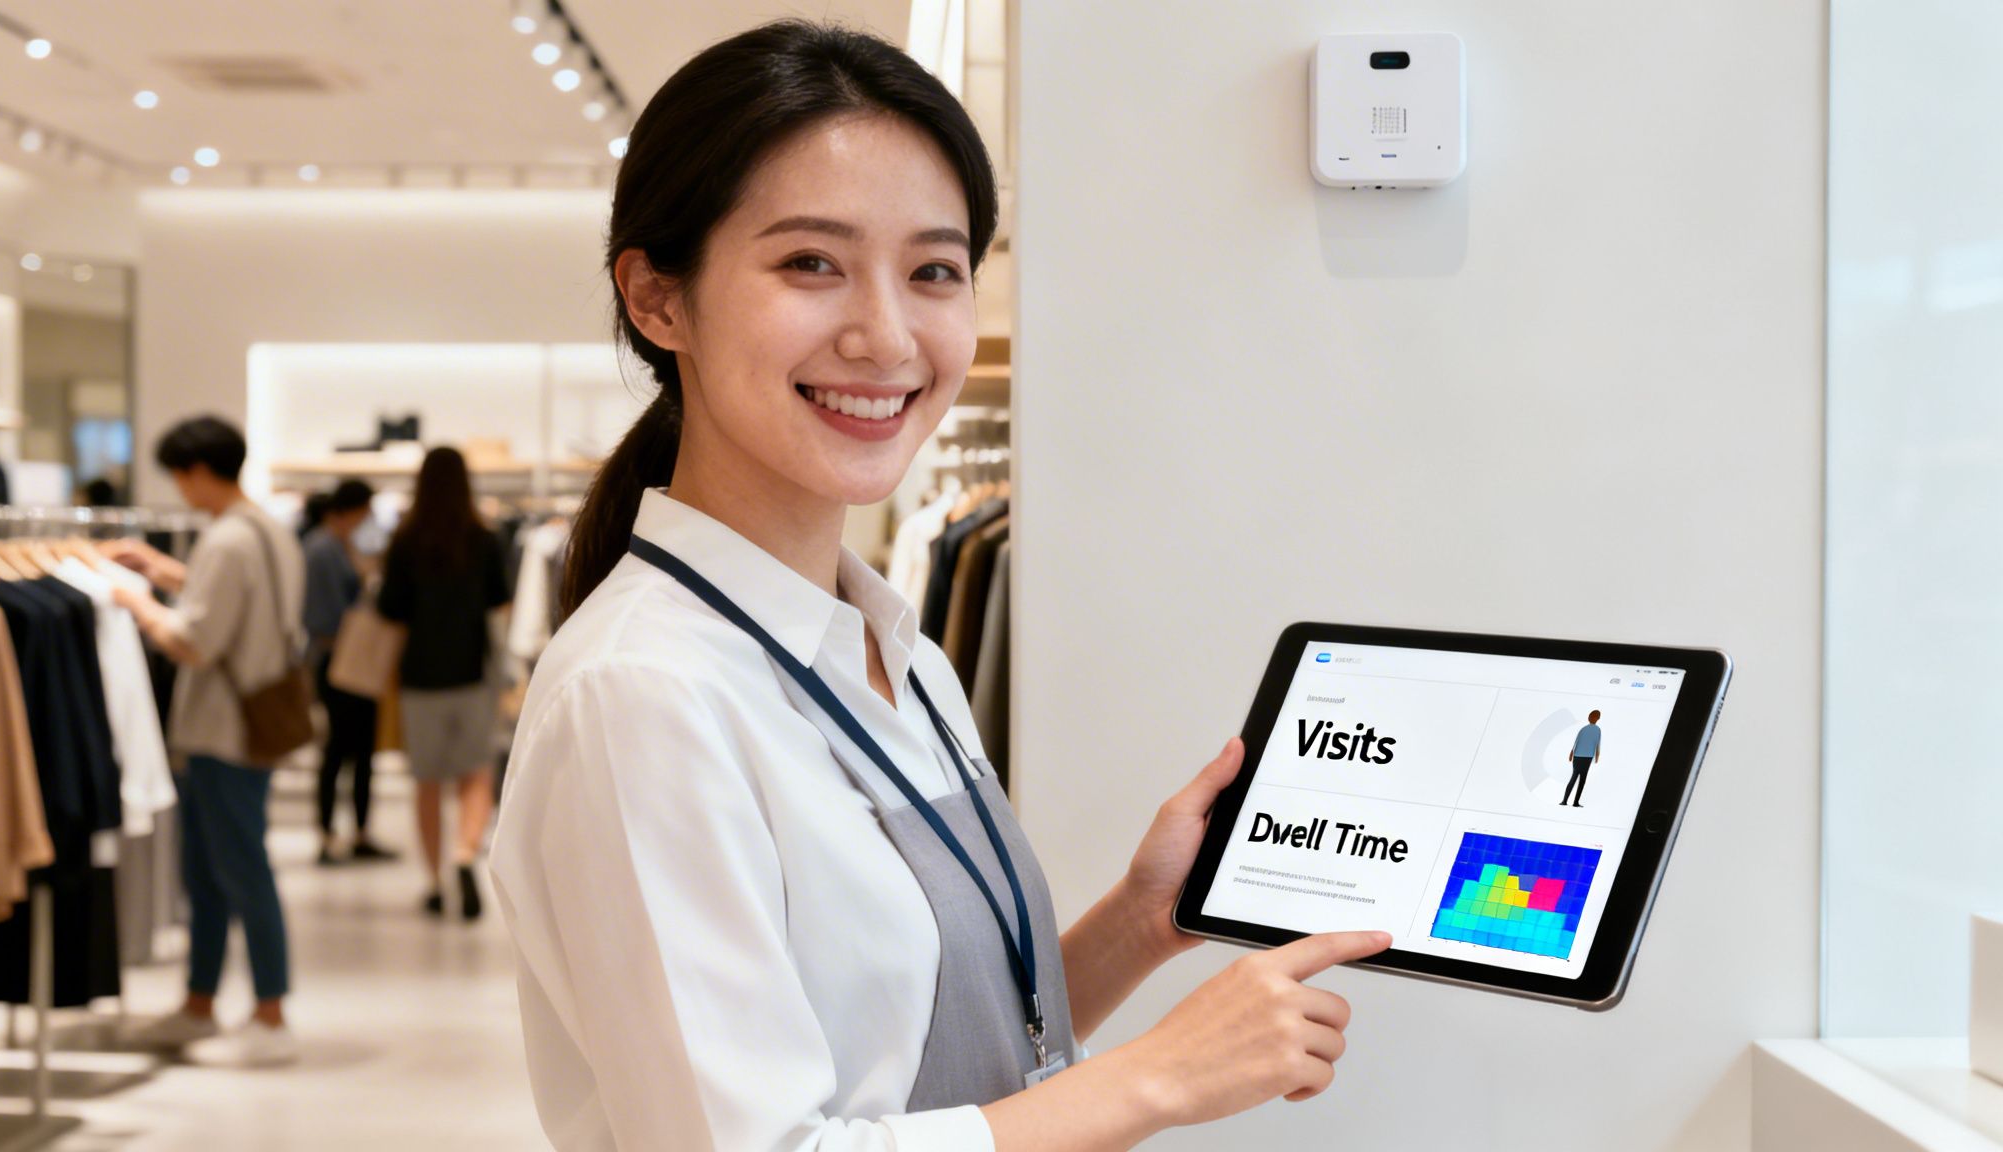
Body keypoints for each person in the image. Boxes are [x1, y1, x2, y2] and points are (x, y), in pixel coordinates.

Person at [489, 22, 1387, 1151]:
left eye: (933, 271)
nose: (885, 334)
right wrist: (1159, 1078)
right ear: (658, 300)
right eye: (809, 262)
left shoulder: (893, 652)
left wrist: (1136, 926)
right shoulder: (644, 697)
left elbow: (919, 1047)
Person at [105, 415, 300, 1068]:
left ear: (195, 472)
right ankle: (201, 999)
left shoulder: (225, 541)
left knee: (238, 869)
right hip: (255, 722)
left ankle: (270, 1011)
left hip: (223, 729)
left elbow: (194, 641)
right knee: (215, 870)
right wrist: (165, 573)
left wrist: (137, 606)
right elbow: (234, 608)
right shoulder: (269, 531)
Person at [377, 447, 511, 919]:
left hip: (419, 677)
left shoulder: (406, 539)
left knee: (427, 781)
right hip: (472, 672)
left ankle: (434, 881)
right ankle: (464, 856)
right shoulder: (483, 538)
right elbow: (499, 601)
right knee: (475, 773)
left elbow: (390, 609)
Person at [302, 479, 396, 865]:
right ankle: (329, 834)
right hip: (339, 661)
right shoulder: (323, 548)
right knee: (340, 749)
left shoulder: (340, 545)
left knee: (356, 749)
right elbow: (322, 615)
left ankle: (355, 831)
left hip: (352, 659)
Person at [1564, 709, 1604, 807]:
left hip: (1579, 756)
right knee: (1581, 779)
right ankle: (1573, 802)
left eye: (1592, 716)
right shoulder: (1596, 729)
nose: (1590, 718)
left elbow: (1578, 741)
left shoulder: (1584, 729)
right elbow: (1597, 744)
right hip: (1586, 757)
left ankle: (1566, 801)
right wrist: (1597, 755)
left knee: (1575, 777)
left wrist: (1572, 752)